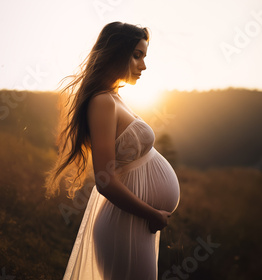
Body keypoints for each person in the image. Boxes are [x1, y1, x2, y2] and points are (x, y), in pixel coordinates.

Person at [44, 21, 180, 280]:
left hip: (134, 222)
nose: (143, 65)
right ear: (116, 53)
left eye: (144, 56)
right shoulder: (102, 101)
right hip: (124, 224)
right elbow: (104, 181)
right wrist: (152, 214)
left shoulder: (114, 96)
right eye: (136, 55)